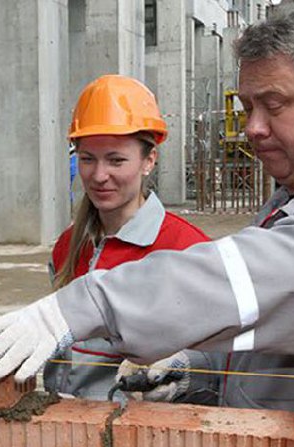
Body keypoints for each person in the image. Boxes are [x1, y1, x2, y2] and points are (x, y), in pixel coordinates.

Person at [0, 8, 294, 417]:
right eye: (247, 107)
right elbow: (272, 339)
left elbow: (277, 276)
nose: (253, 127)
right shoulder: (293, 200)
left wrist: (89, 303)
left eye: (274, 104)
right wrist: (198, 372)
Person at [43, 74, 214, 402]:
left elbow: (219, 361)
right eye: (87, 158)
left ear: (149, 160)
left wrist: (188, 372)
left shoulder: (187, 249)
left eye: (116, 160)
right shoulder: (68, 246)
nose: (98, 175)